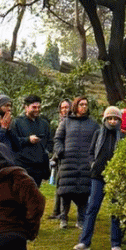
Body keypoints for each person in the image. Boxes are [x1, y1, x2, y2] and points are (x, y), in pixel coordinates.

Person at [75, 106, 126, 250]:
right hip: (98, 176)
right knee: (92, 208)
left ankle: (116, 243)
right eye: (110, 118)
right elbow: (91, 152)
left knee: (115, 210)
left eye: (115, 119)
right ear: (105, 120)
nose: (112, 121)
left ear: (119, 121)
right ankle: (84, 242)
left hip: (116, 177)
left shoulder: (123, 137)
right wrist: (92, 164)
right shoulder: (98, 134)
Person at [52, 97, 97, 229]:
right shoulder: (66, 123)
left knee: (83, 192)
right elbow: (57, 139)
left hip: (85, 163)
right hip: (68, 161)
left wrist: (92, 158)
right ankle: (63, 218)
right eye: (81, 104)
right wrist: (61, 152)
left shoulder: (93, 124)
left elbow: (97, 143)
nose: (84, 107)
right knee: (66, 191)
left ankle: (81, 219)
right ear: (76, 106)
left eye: (86, 104)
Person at [10, 96, 53, 191]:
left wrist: (46, 153)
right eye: (34, 107)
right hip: (22, 166)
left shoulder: (44, 124)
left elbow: (50, 142)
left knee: (33, 198)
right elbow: (13, 142)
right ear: (26, 107)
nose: (37, 110)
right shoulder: (17, 122)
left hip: (38, 168)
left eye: (39, 107)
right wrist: (27, 140)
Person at [49, 99, 72, 220]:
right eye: (62, 108)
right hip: (59, 157)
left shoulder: (72, 122)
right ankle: (56, 211)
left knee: (65, 187)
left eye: (67, 107)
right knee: (59, 185)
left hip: (68, 157)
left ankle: (62, 213)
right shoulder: (60, 121)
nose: (64, 110)